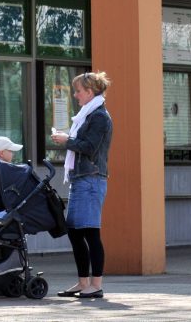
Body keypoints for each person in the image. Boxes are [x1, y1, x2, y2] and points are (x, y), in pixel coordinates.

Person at [49, 71, 113, 300]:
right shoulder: (88, 115)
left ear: (90, 92)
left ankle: (96, 284)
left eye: (78, 91)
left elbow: (89, 147)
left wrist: (67, 141)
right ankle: (83, 282)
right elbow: (83, 144)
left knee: (90, 232)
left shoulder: (99, 117)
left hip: (91, 179)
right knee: (75, 232)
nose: (75, 95)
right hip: (81, 178)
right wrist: (69, 140)